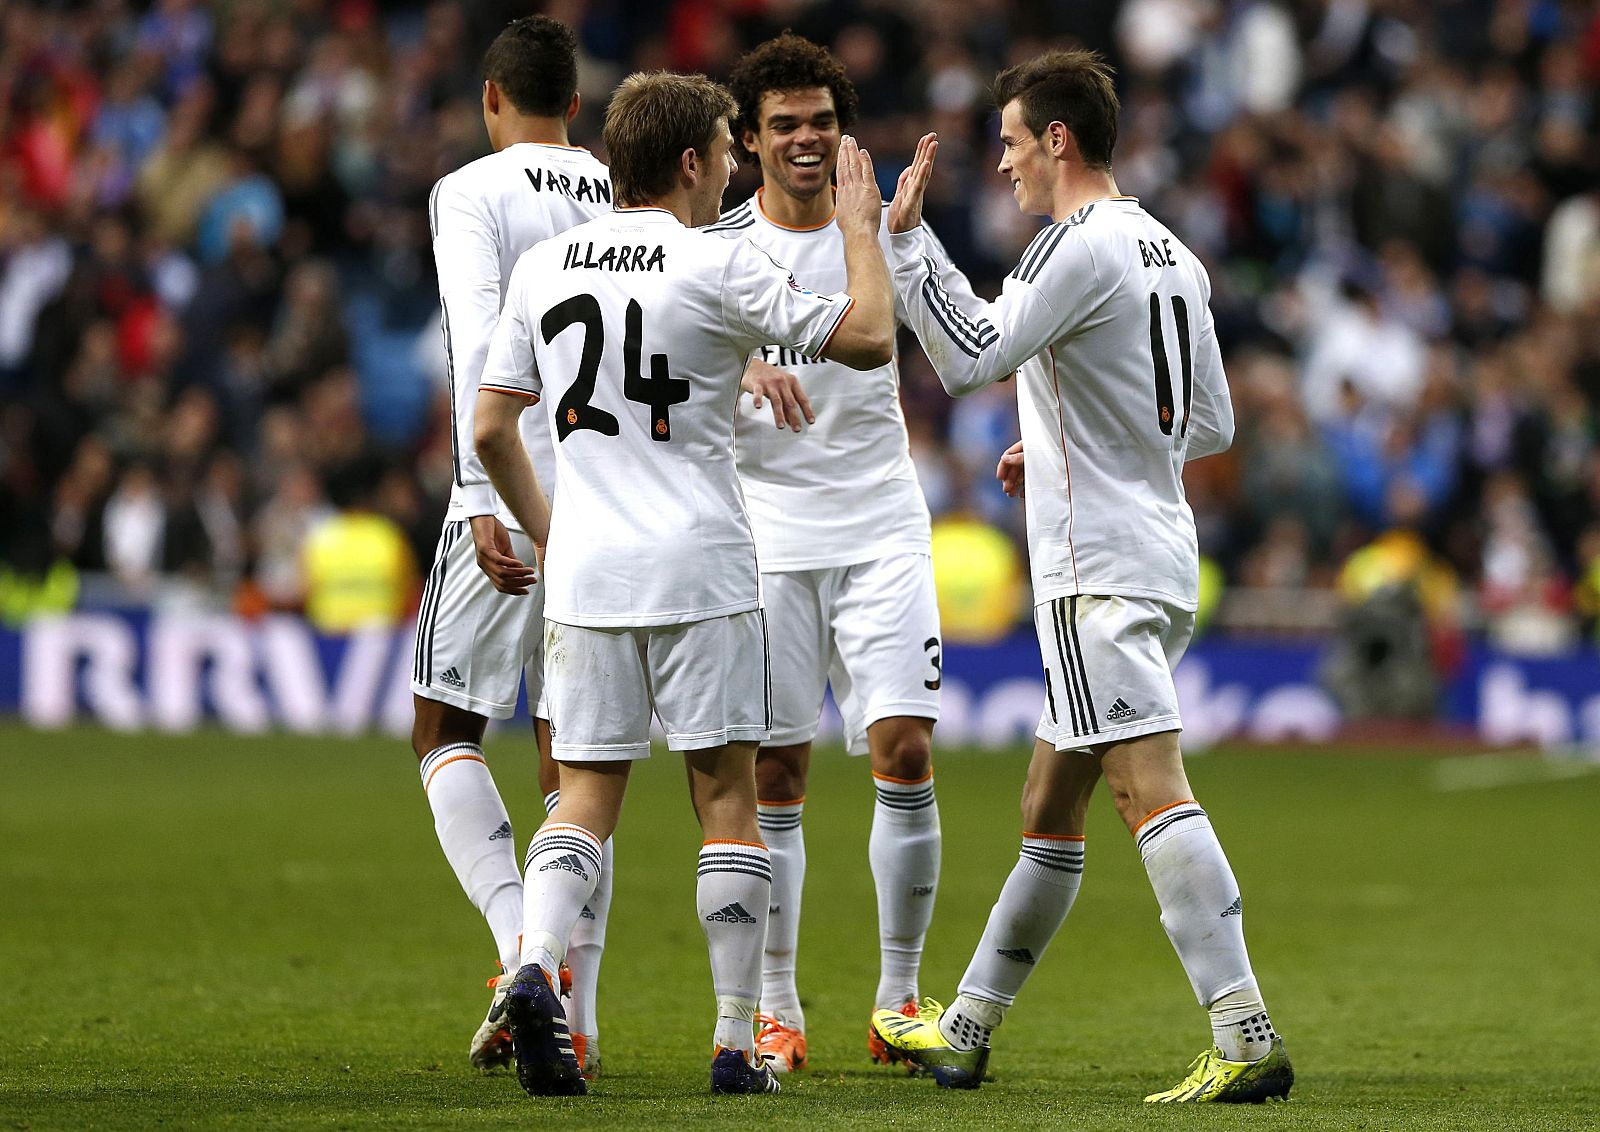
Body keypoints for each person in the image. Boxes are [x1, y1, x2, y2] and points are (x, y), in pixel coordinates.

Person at [868, 50, 1294, 1103]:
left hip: (1092, 567)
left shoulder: (1075, 246)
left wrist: (905, 243)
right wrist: (1067, 443)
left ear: (1057, 138)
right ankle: (964, 1028)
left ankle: (1244, 1033)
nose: (1005, 163)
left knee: (1145, 787)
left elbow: (969, 354)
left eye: (1012, 142)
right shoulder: (1171, 250)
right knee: (1046, 801)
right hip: (1158, 550)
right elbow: (1209, 421)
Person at [473, 71, 896, 1097]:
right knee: (724, 800)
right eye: (726, 149)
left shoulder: (542, 265)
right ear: (697, 162)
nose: (734, 170)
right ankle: (733, 1041)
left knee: (581, 799)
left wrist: (554, 529)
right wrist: (859, 231)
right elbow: (872, 337)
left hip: (587, 570)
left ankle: (533, 966)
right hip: (702, 564)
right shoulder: (717, 263)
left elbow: (489, 426)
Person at [709, 32, 949, 1073]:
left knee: (903, 748)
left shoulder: (881, 233)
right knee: (776, 767)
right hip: (763, 534)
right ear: (748, 140)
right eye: (784, 125)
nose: (805, 140)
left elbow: (966, 348)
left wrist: (913, 242)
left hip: (881, 524)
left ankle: (897, 997)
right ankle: (776, 1007)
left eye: (820, 122)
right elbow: (662, 379)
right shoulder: (713, 248)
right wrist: (736, 376)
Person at [410, 15, 614, 1076]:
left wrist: (483, 492)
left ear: (493, 98)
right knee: (575, 763)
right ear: (573, 103)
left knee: (441, 726)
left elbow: (477, 331)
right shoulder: (615, 187)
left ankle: (516, 959)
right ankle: (573, 1013)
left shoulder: (470, 192)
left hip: (510, 483)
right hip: (611, 497)